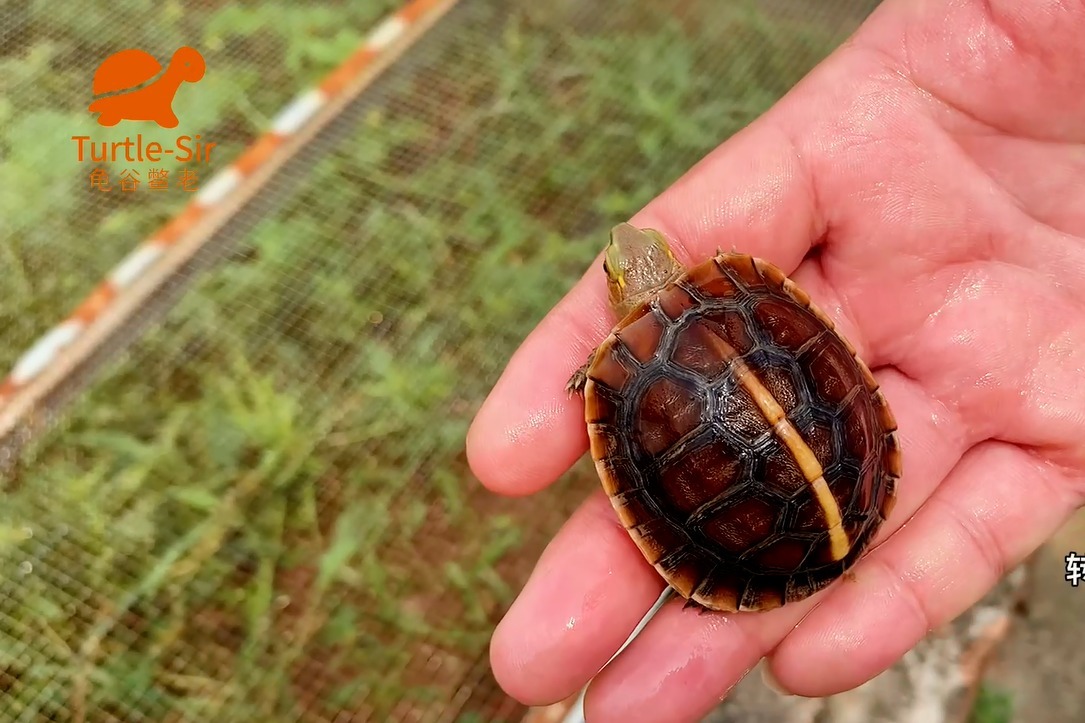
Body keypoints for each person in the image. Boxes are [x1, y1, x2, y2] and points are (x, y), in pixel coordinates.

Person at [465, 0, 1085, 721]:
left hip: (788, 521)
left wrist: (593, 380)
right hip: (846, 480)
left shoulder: (619, 375)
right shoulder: (731, 290)